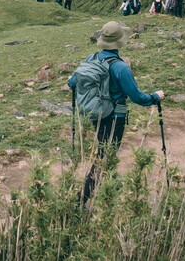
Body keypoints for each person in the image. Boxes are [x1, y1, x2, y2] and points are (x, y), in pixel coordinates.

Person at [68, 21, 165, 204]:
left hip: (95, 114)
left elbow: (72, 83)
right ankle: (82, 199)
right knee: (105, 157)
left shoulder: (91, 58)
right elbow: (137, 97)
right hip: (114, 118)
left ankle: (104, 188)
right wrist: (155, 97)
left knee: (104, 152)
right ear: (120, 42)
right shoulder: (120, 67)